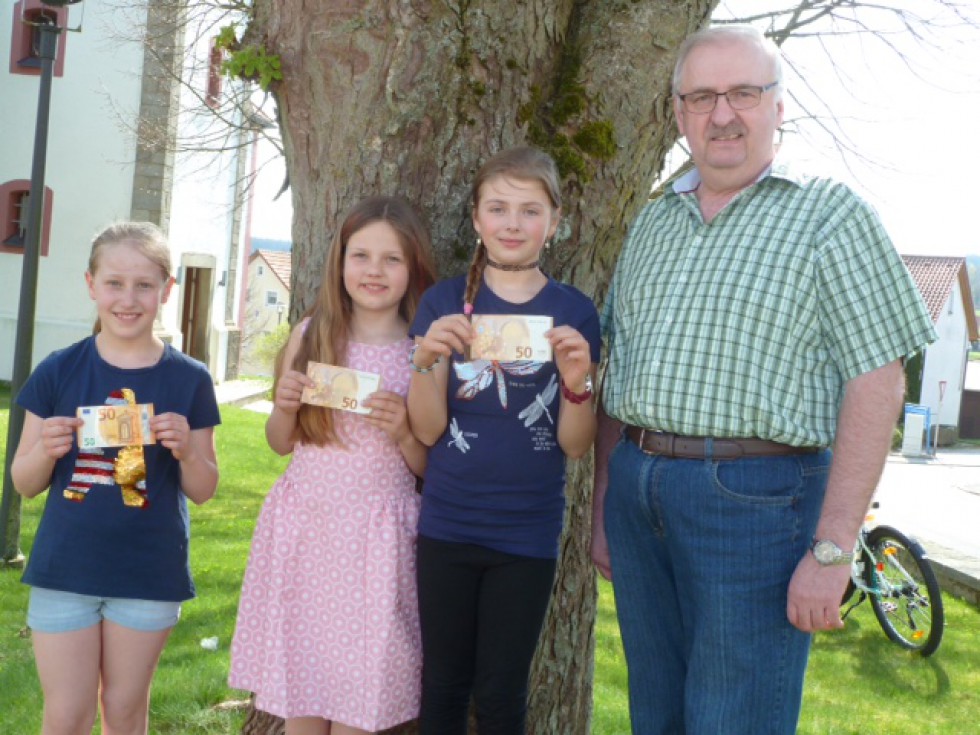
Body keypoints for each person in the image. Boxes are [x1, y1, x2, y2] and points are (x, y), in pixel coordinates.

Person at [591, 24, 938, 735]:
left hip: (757, 505)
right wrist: (603, 503)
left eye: (744, 93)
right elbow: (614, 371)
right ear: (680, 113)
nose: (723, 114)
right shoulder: (652, 222)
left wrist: (835, 548)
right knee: (653, 716)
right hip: (637, 492)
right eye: (702, 97)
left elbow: (878, 381)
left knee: (731, 721)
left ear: (779, 106)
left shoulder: (830, 215)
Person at [407, 146, 600, 734]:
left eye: (529, 210)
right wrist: (424, 358)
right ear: (475, 219)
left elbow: (575, 445)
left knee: (501, 693)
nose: (513, 224)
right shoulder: (443, 302)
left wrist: (577, 384)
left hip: (527, 534)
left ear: (555, 221)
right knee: (441, 687)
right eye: (498, 208)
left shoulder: (572, 311)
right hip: (446, 525)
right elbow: (429, 429)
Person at [229, 196, 437, 735]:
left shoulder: (419, 352)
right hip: (307, 534)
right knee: (303, 688)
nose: (374, 270)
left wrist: (403, 431)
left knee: (360, 695)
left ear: (413, 267)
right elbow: (280, 443)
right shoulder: (312, 334)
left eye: (392, 259)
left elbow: (424, 466)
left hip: (375, 541)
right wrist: (285, 405)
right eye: (360, 255)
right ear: (339, 262)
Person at [11, 221, 220, 735]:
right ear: (90, 285)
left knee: (125, 713)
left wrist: (190, 451)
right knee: (66, 716)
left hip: (148, 574)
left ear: (167, 290)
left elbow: (204, 487)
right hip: (65, 571)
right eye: (114, 283)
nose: (129, 299)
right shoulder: (58, 371)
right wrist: (46, 448)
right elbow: (22, 480)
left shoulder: (189, 378)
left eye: (144, 285)